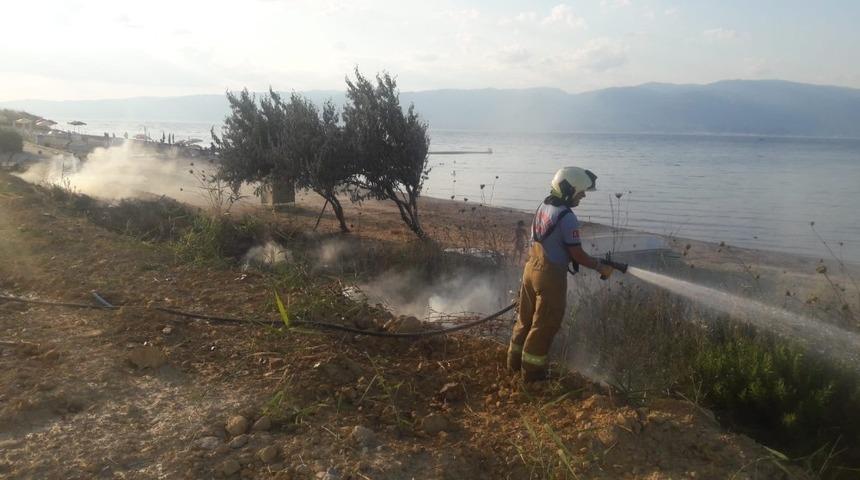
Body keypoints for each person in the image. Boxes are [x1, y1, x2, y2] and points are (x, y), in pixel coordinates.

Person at [508, 167, 615, 381]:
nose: (583, 196)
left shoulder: (544, 205)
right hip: (549, 276)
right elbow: (577, 254)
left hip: (530, 270)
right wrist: (599, 266)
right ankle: (532, 376)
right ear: (568, 189)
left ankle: (513, 365)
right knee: (545, 325)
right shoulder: (567, 217)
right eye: (580, 192)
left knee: (525, 320)